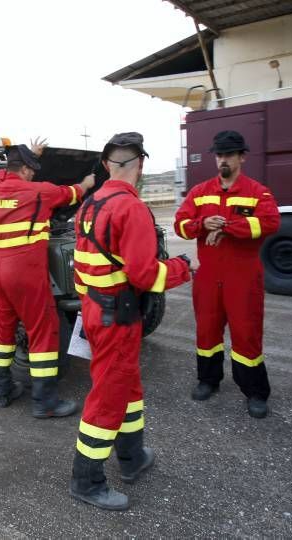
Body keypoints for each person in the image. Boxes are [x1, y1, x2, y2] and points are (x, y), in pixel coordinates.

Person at [68, 132, 195, 511]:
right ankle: (86, 480)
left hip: (95, 308)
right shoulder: (132, 209)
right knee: (108, 397)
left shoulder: (88, 205)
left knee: (128, 387)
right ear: (140, 165)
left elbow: (83, 265)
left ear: (107, 165)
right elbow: (144, 276)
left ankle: (132, 455)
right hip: (117, 317)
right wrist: (183, 267)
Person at [173, 130, 280, 418]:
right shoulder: (199, 192)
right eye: (219, 155)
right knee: (207, 330)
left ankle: (255, 392)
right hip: (208, 276)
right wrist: (203, 223)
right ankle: (208, 380)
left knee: (246, 334)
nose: (223, 160)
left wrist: (227, 227)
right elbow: (180, 225)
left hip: (242, 278)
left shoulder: (258, 192)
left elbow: (270, 223)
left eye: (229, 155)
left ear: (241, 157)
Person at [0, 138, 95, 417]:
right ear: (23, 170)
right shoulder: (39, 192)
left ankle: (0, 387)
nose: (34, 173)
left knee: (2, 330)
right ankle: (45, 402)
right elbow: (73, 193)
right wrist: (88, 182)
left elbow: (5, 170)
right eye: (31, 169)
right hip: (25, 274)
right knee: (43, 330)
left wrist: (30, 154)